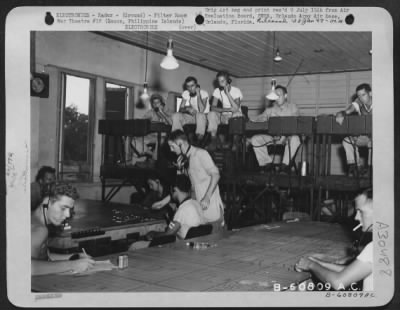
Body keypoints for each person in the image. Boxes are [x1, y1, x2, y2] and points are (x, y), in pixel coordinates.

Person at [295, 189, 373, 291]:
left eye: (361, 211)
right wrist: (321, 264)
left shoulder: (374, 248)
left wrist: (311, 265)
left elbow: (338, 282)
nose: (356, 217)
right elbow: (351, 272)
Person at [31, 183, 95, 275]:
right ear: (46, 201)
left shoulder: (35, 220)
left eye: (70, 210)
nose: (68, 215)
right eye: (63, 208)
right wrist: (72, 265)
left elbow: (44, 258)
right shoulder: (40, 229)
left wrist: (74, 257)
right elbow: (27, 267)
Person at [167, 130, 224, 231]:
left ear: (181, 143)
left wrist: (207, 197)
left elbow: (216, 175)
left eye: (172, 146)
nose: (171, 150)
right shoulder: (182, 159)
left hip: (210, 207)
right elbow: (184, 185)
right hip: (199, 208)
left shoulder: (200, 154)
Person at [250, 85, 300, 173]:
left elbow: (295, 122)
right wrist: (257, 119)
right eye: (275, 95)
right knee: (255, 139)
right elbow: (260, 118)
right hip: (272, 138)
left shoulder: (293, 107)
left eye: (279, 95)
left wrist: (287, 135)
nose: (277, 98)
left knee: (295, 138)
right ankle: (266, 164)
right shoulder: (270, 108)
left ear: (285, 96)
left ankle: (285, 165)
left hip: (287, 137)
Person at [145, 174, 205, 240]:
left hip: (183, 246)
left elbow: (168, 234)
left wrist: (153, 234)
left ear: (174, 189)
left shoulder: (183, 209)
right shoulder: (196, 204)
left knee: (135, 245)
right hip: (196, 243)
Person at [335, 83, 372, 177]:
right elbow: (349, 109)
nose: (361, 98)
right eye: (359, 96)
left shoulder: (380, 103)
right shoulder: (359, 102)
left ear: (370, 93)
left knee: (375, 142)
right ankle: (355, 167)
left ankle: (371, 168)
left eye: (363, 95)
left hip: (378, 138)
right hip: (365, 137)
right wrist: (341, 113)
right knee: (347, 141)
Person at [207, 71, 243, 151]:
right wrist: (227, 109)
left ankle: (235, 143)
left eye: (222, 81)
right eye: (219, 81)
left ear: (228, 81)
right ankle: (213, 140)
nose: (220, 84)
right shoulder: (217, 91)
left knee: (236, 114)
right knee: (211, 114)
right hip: (224, 116)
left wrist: (227, 93)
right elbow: (212, 107)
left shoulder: (236, 91)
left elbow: (236, 108)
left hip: (235, 116)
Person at [131, 94, 171, 165]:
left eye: (157, 103)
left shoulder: (168, 111)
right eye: (154, 103)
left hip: (163, 136)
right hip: (151, 135)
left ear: (162, 103)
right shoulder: (151, 112)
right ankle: (153, 155)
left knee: (160, 141)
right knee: (134, 141)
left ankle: (154, 160)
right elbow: (142, 121)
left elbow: (170, 123)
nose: (156, 105)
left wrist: (161, 112)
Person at [171, 76, 209, 143]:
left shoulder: (204, 93)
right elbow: (180, 109)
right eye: (188, 86)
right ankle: (177, 138)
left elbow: (201, 110)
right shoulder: (186, 93)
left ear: (197, 85)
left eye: (192, 86)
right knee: (176, 115)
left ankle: (199, 140)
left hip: (203, 117)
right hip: (193, 117)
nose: (190, 88)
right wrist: (187, 109)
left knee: (199, 115)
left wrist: (198, 94)